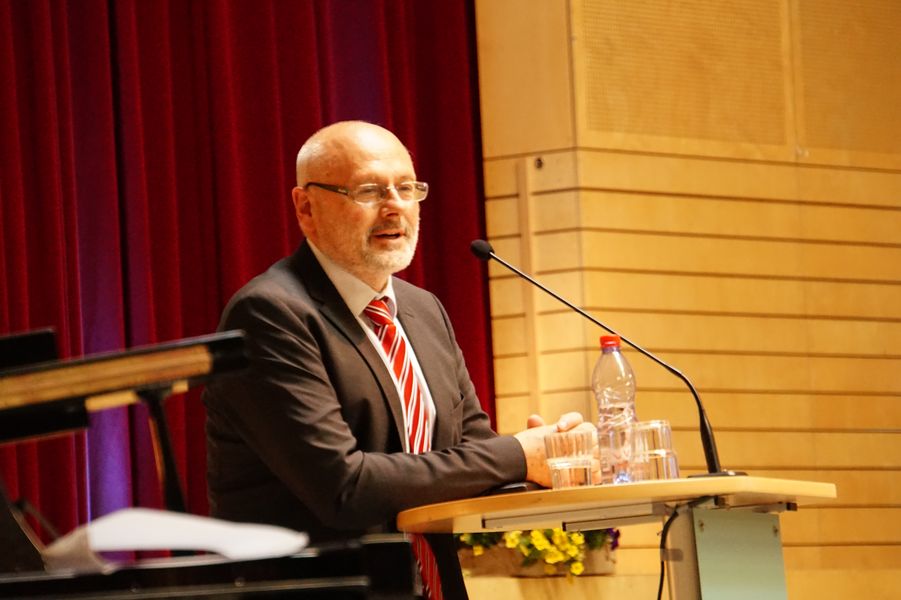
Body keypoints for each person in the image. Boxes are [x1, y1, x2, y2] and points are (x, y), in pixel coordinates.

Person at [203, 121, 597, 599]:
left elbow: (470, 456)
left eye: (407, 188)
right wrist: (517, 455)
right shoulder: (270, 314)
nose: (395, 206)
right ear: (306, 207)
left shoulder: (423, 311)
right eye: (369, 191)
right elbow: (345, 488)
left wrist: (545, 465)